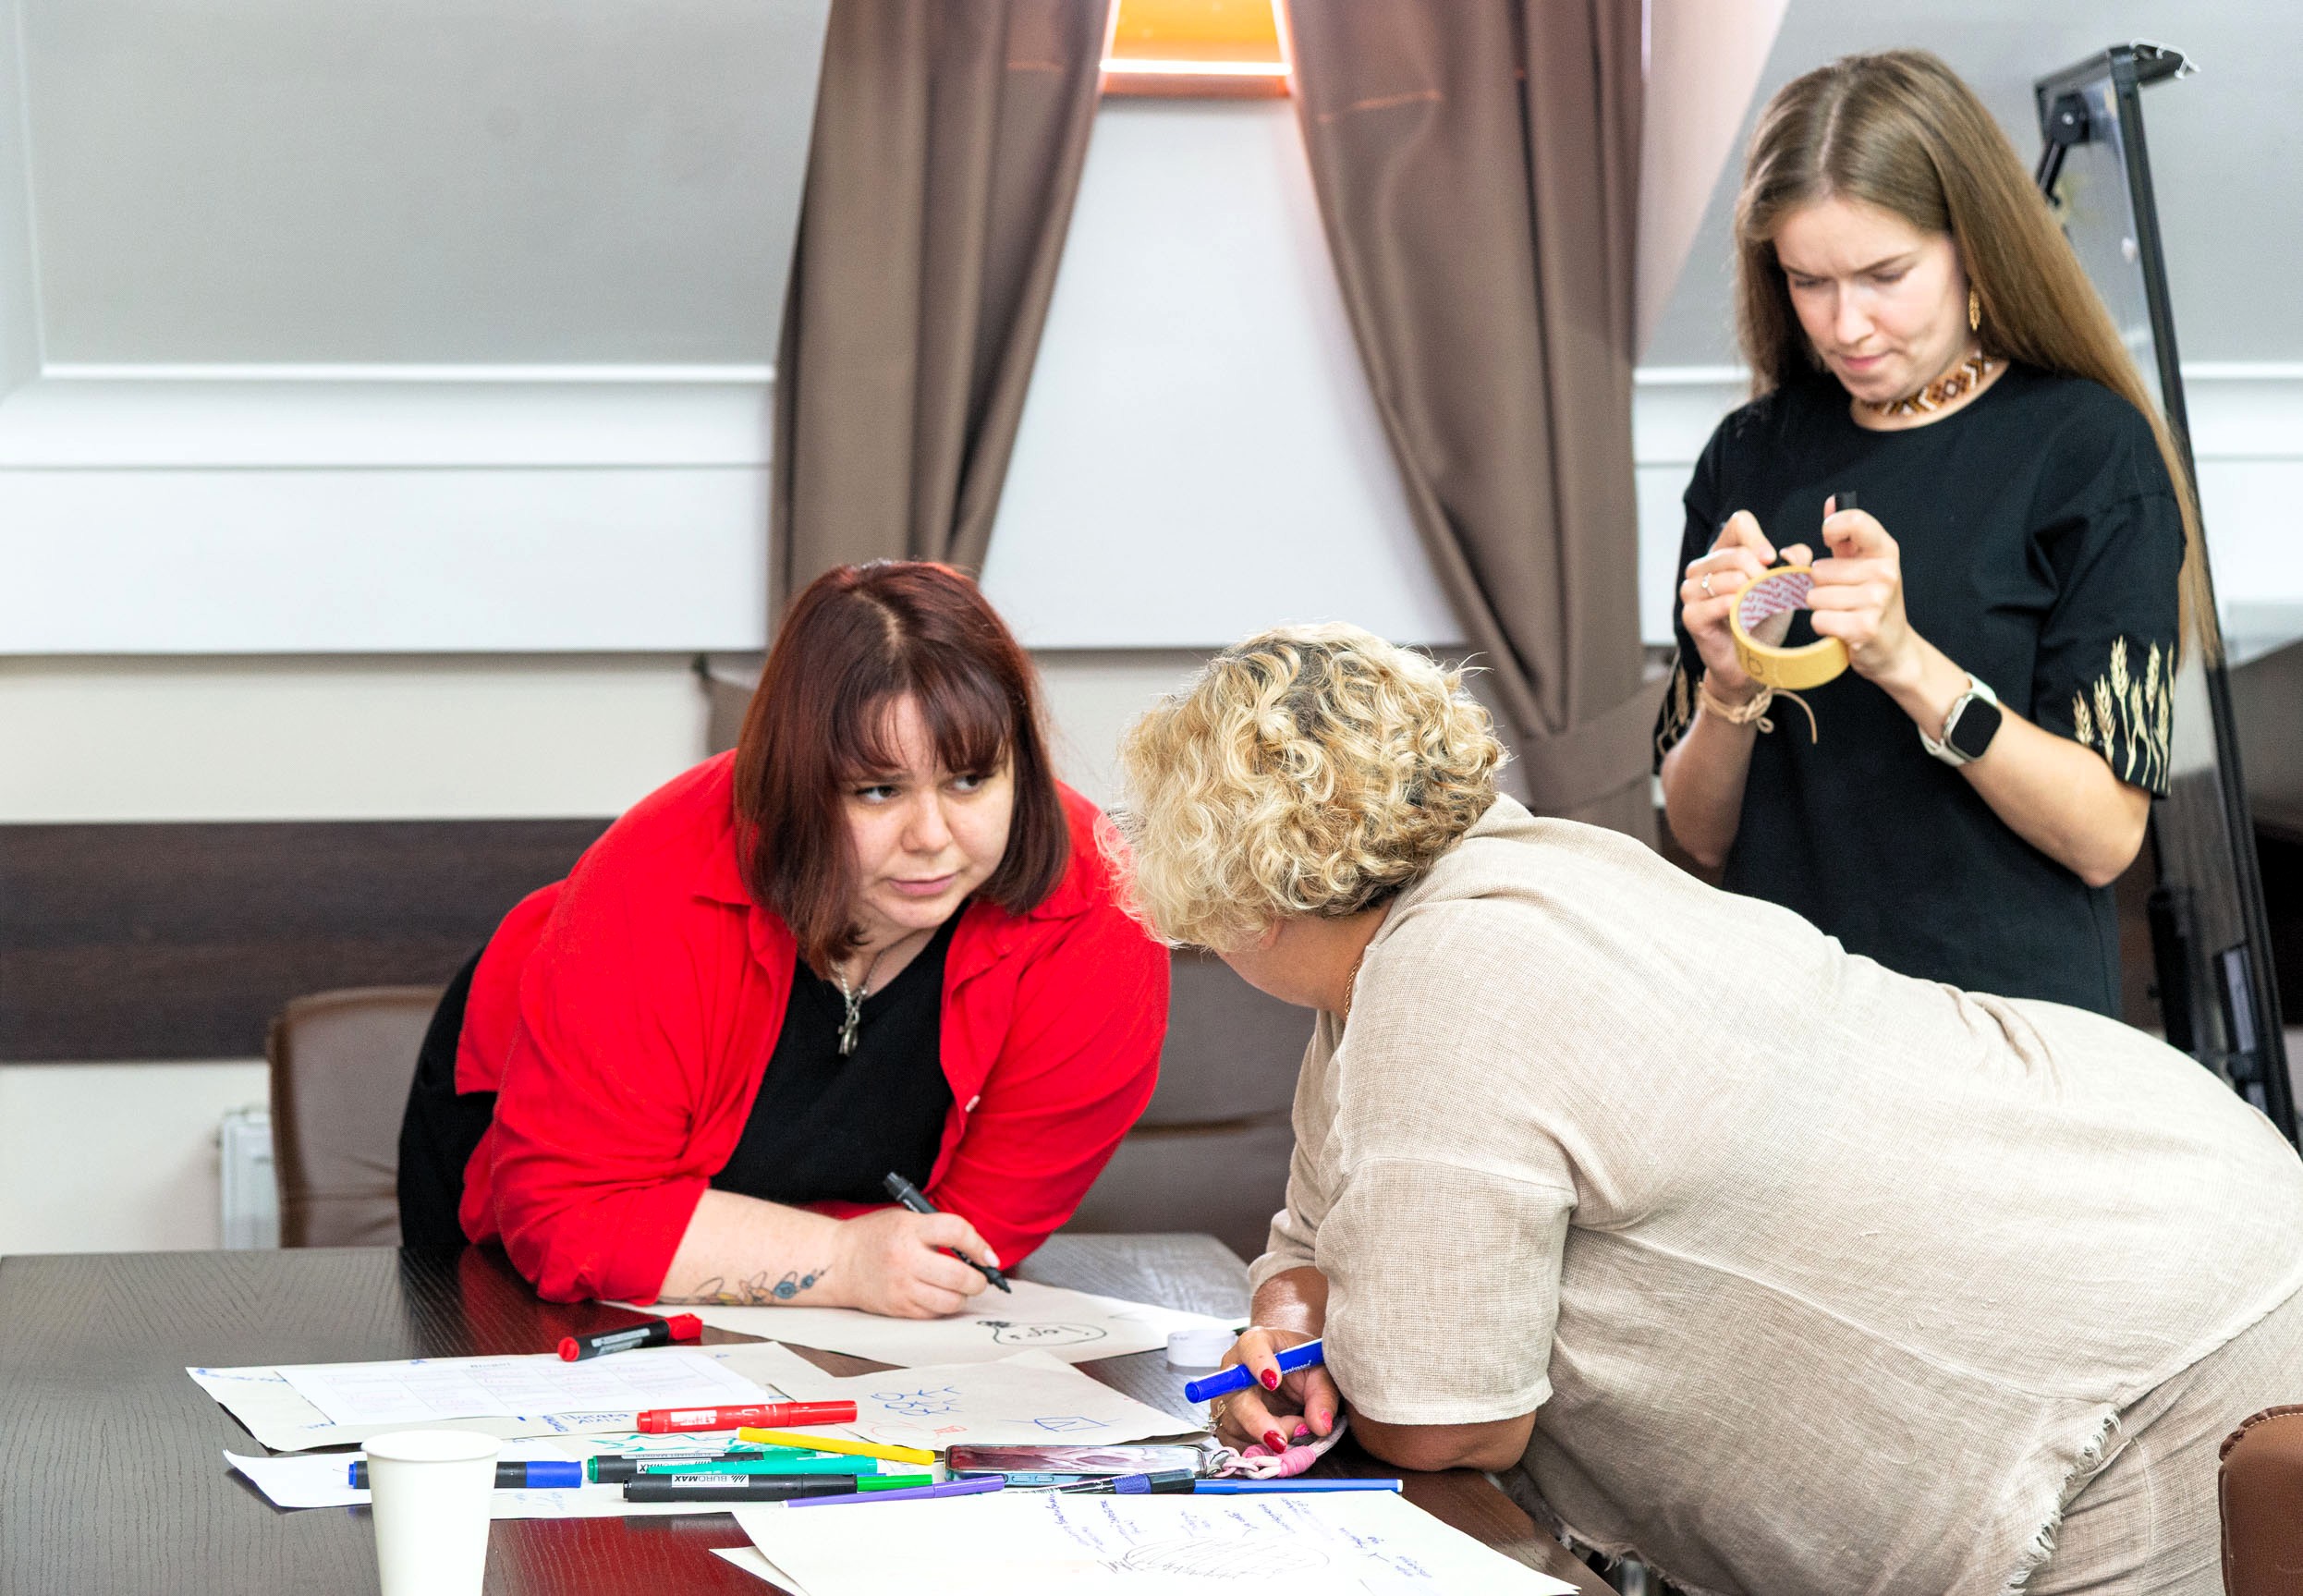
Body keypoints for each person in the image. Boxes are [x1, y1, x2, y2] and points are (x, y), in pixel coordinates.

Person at [1116, 623, 2303, 1596]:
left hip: (2143, 1356)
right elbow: (1315, 1238)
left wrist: (1340, 1353)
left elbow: (1446, 1425)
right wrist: (1289, 1319)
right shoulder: (1466, 909)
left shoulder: (1449, 980)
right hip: (2151, 1183)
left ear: (1238, 891)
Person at [397, 561, 1169, 1313]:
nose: (932, 836)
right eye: (878, 790)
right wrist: (841, 1257)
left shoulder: (1100, 911)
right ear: (795, 788)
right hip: (534, 1137)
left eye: (969, 780)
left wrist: (856, 1261)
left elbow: (960, 1244)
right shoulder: (657, 873)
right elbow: (568, 1218)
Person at [1654, 50, 2208, 1014]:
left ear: (1971, 246)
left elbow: (2104, 838)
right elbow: (1702, 835)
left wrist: (1906, 661)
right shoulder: (1746, 456)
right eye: (1808, 280)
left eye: (1885, 274)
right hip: (1784, 1029)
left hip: (1998, 1034)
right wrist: (1729, 686)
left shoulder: (2086, 451)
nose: (1846, 325)